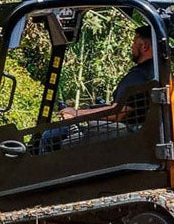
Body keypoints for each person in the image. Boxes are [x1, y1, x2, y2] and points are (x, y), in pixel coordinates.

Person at [38, 25, 156, 153]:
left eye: (134, 43)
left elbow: (117, 112)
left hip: (121, 136)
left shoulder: (139, 76)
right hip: (128, 133)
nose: (131, 47)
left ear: (144, 47)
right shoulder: (154, 73)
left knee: (50, 137)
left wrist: (76, 114)